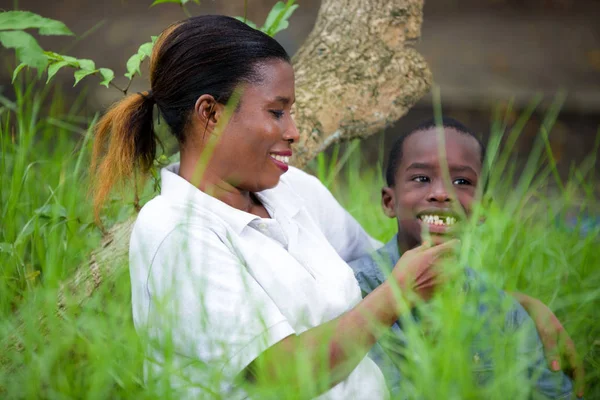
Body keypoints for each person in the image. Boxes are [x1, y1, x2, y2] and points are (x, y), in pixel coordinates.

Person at [90, 15, 461, 399]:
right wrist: (396, 295)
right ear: (211, 114)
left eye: (292, 112)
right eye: (277, 112)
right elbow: (283, 375)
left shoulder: (291, 191)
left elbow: (379, 264)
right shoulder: (175, 231)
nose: (294, 131)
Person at [348, 117, 583, 398]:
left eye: (462, 181)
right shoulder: (350, 291)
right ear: (389, 201)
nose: (441, 194)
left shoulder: (506, 315)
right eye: (421, 178)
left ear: (483, 209)